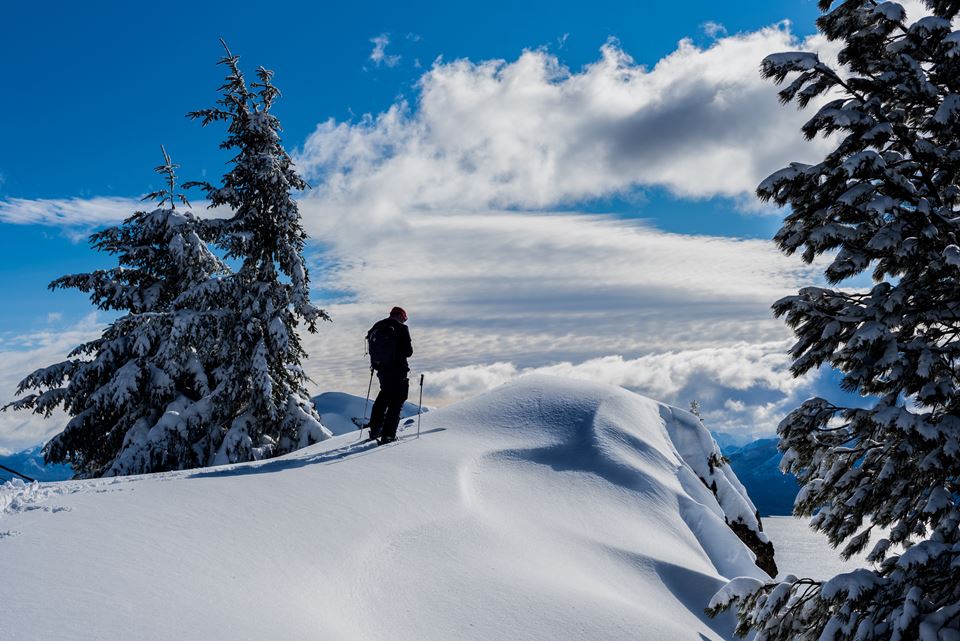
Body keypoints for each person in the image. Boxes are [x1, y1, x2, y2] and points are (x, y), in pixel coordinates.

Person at [365, 306, 413, 444]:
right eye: (404, 318)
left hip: (382, 370)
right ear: (401, 316)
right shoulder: (402, 328)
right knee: (396, 403)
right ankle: (388, 435)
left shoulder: (377, 326)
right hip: (398, 370)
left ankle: (374, 431)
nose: (404, 321)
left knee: (383, 397)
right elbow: (408, 352)